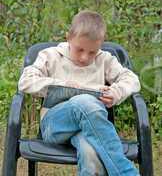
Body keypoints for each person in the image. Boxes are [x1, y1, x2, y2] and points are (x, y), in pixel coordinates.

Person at [18, 10, 141, 176]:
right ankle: (126, 172)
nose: (84, 57)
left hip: (91, 130)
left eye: (92, 52)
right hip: (54, 127)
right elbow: (25, 81)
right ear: (68, 37)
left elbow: (132, 79)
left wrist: (116, 92)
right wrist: (61, 85)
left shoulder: (105, 59)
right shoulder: (51, 55)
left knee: (91, 155)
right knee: (84, 102)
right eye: (80, 49)